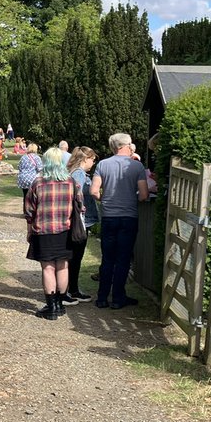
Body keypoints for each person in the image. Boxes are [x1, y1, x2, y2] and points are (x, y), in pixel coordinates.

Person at [90, 132, 148, 309]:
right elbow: (144, 195)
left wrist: (105, 200)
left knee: (107, 258)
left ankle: (101, 297)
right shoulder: (136, 167)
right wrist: (131, 198)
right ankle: (117, 297)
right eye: (131, 144)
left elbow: (94, 191)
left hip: (108, 217)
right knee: (123, 259)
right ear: (125, 145)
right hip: (128, 217)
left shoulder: (102, 164)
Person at [24, 147, 83, 319]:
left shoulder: (38, 183)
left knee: (48, 268)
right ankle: (59, 304)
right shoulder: (72, 182)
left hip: (44, 231)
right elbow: (81, 205)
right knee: (63, 266)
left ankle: (51, 307)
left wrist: (29, 230)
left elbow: (29, 211)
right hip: (66, 230)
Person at [64, 146, 99, 305]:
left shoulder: (74, 172)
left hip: (79, 219)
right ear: (85, 158)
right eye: (92, 159)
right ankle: (73, 290)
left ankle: (71, 288)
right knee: (75, 257)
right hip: (80, 220)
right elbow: (75, 195)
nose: (93, 163)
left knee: (74, 256)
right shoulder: (78, 174)